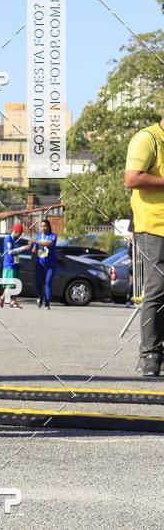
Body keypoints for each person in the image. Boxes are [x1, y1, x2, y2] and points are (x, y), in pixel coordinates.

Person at [125, 119, 164, 376]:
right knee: (158, 289)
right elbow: (132, 178)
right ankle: (150, 354)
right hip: (154, 227)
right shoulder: (147, 139)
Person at [0, 222, 30, 310]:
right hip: (9, 265)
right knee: (10, 285)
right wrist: (23, 248)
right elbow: (10, 252)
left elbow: (16, 254)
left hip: (16, 265)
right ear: (15, 231)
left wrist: (20, 262)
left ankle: (13, 302)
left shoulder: (16, 240)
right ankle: (1, 299)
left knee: (18, 284)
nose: (20, 235)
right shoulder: (8, 239)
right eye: (20, 233)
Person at [32, 218, 58, 310]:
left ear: (49, 227)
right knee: (38, 284)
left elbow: (49, 243)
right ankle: (40, 297)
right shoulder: (38, 237)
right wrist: (32, 259)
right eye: (42, 226)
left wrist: (36, 242)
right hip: (40, 264)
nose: (43, 228)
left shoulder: (53, 236)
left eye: (45, 226)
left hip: (51, 264)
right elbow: (34, 250)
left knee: (48, 283)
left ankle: (47, 303)